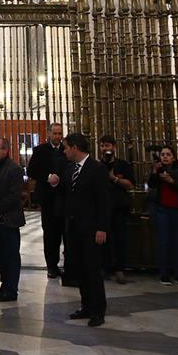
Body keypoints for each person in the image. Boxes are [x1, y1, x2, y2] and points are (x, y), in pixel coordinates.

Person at [48, 132, 109, 326]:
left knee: (92, 269)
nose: (64, 151)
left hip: (91, 228)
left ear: (75, 147)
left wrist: (102, 227)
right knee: (79, 269)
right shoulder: (70, 169)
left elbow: (104, 201)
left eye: (66, 147)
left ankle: (98, 311)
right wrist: (56, 183)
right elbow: (66, 192)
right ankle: (86, 306)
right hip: (73, 226)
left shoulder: (97, 169)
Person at [0, 137, 25, 302]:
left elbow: (14, 196)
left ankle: (11, 289)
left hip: (9, 219)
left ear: (5, 150)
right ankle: (5, 285)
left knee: (10, 255)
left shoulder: (14, 169)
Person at [27, 123, 67, 278]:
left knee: (64, 231)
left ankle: (66, 264)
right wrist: (47, 177)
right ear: (49, 133)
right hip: (48, 197)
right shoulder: (40, 150)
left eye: (59, 133)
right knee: (50, 233)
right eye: (55, 133)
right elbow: (31, 170)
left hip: (63, 196)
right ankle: (51, 265)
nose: (57, 136)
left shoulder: (66, 150)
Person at [146, 145, 178, 285]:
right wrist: (154, 172)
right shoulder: (158, 171)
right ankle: (164, 274)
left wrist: (171, 181)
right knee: (163, 242)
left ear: (173, 157)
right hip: (162, 210)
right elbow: (151, 185)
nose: (165, 156)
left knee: (177, 243)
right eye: (163, 154)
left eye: (168, 154)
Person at [97, 135, 134, 284]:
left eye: (108, 145)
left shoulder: (123, 165)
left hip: (119, 207)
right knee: (103, 239)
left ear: (114, 147)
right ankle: (105, 268)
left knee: (120, 239)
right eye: (102, 146)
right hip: (102, 208)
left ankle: (120, 269)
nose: (105, 149)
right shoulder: (97, 165)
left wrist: (114, 178)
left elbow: (130, 185)